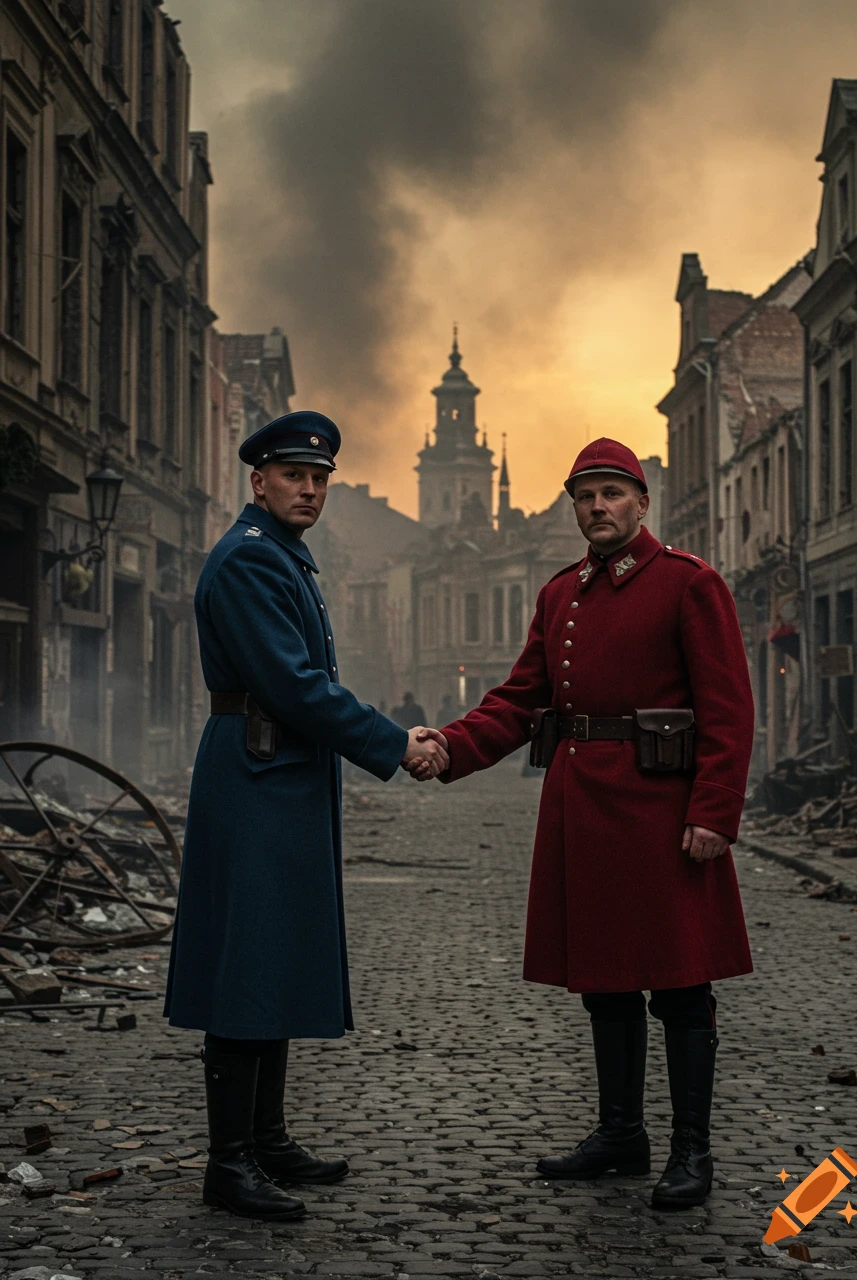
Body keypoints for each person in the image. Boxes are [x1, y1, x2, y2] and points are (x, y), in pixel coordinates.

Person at [418, 438, 754, 1209]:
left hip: (663, 807)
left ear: (641, 503)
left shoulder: (688, 584)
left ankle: (692, 1151)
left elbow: (729, 709)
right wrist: (451, 746)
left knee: (678, 984)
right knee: (604, 981)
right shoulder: (561, 593)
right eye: (584, 496)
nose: (597, 507)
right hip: (583, 806)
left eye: (611, 493)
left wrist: (714, 813)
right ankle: (620, 1135)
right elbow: (519, 699)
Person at [164, 411, 448, 1222]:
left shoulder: (283, 557)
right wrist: (397, 743)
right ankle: (230, 1162)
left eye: (320, 478)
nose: (312, 489)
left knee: (276, 948)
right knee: (246, 959)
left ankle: (268, 1138)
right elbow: (294, 686)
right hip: (257, 772)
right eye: (296, 476)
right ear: (260, 481)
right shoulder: (252, 562)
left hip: (279, 771)